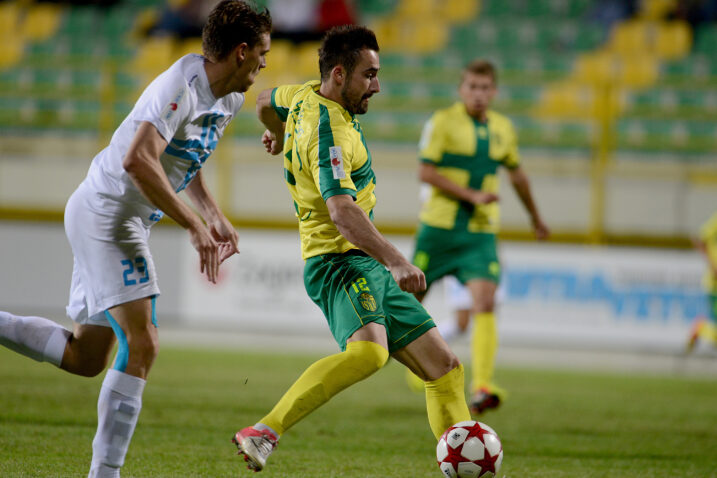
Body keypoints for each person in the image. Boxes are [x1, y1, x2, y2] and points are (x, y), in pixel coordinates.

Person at [0, 2, 271, 476]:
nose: (266, 63)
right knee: (143, 343)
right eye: (263, 53)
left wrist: (212, 214)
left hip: (118, 216)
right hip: (109, 213)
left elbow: (186, 156)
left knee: (86, 358)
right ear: (242, 51)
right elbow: (137, 159)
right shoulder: (179, 85)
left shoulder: (229, 99)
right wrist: (193, 225)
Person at [233, 25, 471, 472]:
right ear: (340, 75)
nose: (376, 86)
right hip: (337, 262)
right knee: (369, 353)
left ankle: (461, 462)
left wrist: (278, 134)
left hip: (363, 263)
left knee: (445, 368)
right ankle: (264, 430)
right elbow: (342, 212)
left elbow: (264, 100)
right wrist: (397, 260)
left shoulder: (302, 94)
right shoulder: (330, 134)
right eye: (370, 75)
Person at [411, 60, 549, 415]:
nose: (478, 94)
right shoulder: (442, 122)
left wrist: (535, 218)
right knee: (408, 303)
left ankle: (482, 386)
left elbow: (518, 177)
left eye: (485, 88)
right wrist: (470, 195)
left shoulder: (503, 128)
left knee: (485, 303)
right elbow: (425, 172)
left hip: (480, 233)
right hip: (439, 229)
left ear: (494, 91)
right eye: (472, 87)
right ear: (461, 90)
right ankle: (417, 366)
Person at [687, 211, 717, 351]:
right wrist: (712, 265)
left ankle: (702, 328)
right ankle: (702, 328)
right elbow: (699, 239)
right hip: (715, 284)